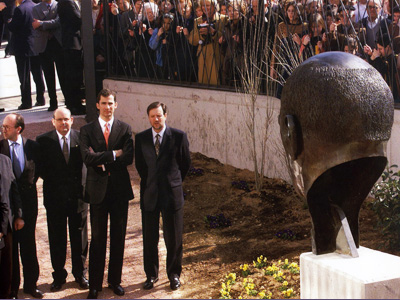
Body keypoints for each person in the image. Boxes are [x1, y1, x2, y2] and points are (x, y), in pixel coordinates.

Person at [80, 89, 134, 299]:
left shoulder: (125, 128)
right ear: (97, 105)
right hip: (97, 192)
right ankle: (95, 284)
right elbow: (86, 158)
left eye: (111, 103)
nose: (107, 107)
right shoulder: (86, 130)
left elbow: (128, 158)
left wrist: (100, 159)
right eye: (103, 103)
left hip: (119, 191)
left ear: (116, 105)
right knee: (98, 238)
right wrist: (113, 154)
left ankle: (115, 281)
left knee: (118, 238)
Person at [135, 102, 191, 291]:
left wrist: (172, 182)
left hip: (171, 194)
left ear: (165, 115)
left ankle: (174, 274)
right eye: (152, 116)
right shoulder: (141, 138)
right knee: (149, 239)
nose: (156, 119)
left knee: (174, 238)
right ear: (148, 117)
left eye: (159, 115)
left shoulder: (178, 136)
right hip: (149, 194)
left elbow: (185, 164)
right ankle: (151, 275)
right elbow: (141, 167)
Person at [36, 108, 89, 292]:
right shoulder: (43, 141)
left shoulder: (81, 137)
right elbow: (40, 168)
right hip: (55, 199)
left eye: (66, 119)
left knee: (79, 238)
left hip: (78, 198)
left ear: (72, 120)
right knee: (57, 238)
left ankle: (80, 273)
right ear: (53, 121)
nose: (63, 123)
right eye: (59, 120)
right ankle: (58, 276)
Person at [0, 114, 42, 299]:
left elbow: (37, 171)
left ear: (18, 129)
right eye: (2, 126)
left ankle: (31, 285)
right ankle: (13, 288)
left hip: (29, 204)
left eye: (7, 127)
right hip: (8, 207)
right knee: (11, 248)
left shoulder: (33, 147)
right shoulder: (0, 149)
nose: (3, 130)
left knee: (28, 245)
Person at [8, 0, 45, 110]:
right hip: (35, 45)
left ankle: (26, 101)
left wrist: (9, 22)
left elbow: (13, 27)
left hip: (22, 47)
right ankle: (40, 98)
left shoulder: (20, 9)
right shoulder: (35, 6)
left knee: (24, 77)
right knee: (38, 74)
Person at [32, 0, 66, 112]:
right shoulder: (36, 8)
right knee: (48, 74)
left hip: (58, 43)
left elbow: (58, 22)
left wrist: (42, 23)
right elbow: (35, 25)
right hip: (44, 45)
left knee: (62, 73)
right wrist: (47, 24)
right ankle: (53, 101)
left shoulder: (59, 5)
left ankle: (67, 98)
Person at [0, 153, 23, 299]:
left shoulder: (5, 160)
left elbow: (13, 189)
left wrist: (19, 215)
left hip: (5, 222)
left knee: (6, 263)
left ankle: (7, 294)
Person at [187, 0, 227, 85]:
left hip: (216, 56)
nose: (205, 8)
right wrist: (201, 33)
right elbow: (191, 40)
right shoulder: (198, 21)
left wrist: (213, 32)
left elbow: (226, 38)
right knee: (203, 84)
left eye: (208, 5)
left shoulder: (223, 19)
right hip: (202, 57)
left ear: (214, 6)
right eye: (203, 5)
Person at [57, 0, 86, 115]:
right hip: (71, 43)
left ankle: (75, 103)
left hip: (75, 42)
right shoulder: (67, 2)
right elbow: (77, 19)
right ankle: (74, 105)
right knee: (73, 75)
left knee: (76, 75)